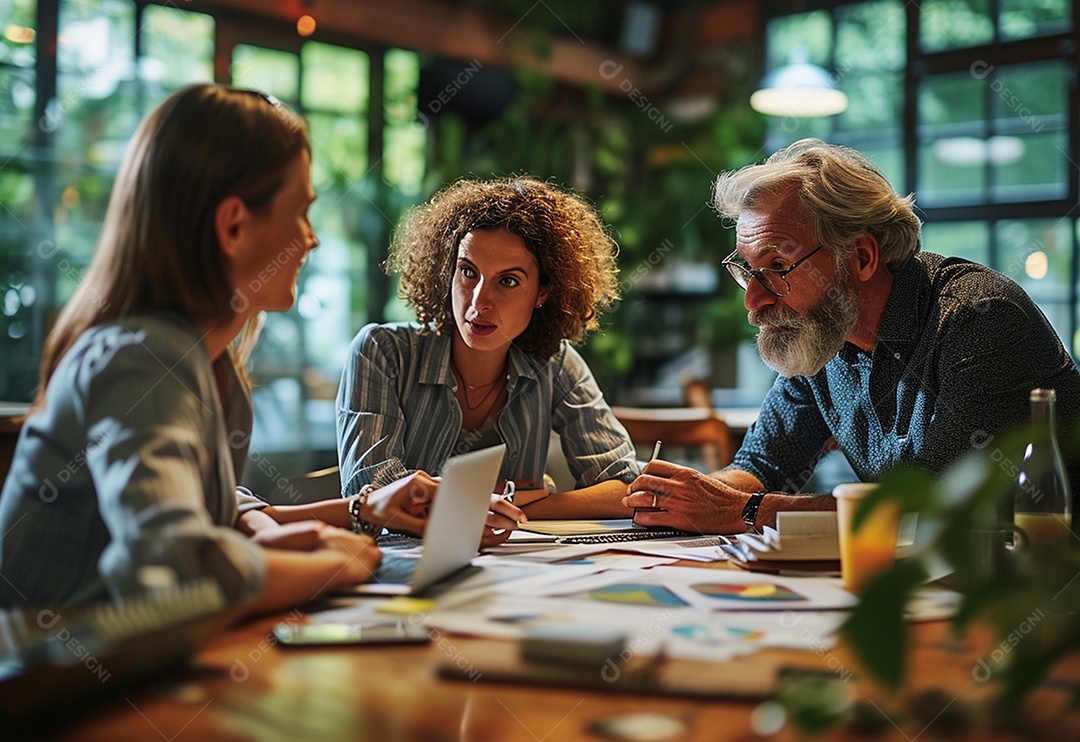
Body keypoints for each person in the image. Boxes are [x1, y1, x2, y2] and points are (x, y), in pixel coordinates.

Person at [0, 84, 382, 613]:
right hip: (60, 690)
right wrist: (339, 566)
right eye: (300, 213)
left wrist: (252, 524)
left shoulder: (206, 364)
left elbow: (197, 512)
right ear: (233, 226)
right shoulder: (145, 360)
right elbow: (172, 565)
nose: (311, 238)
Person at [625, 138, 1080, 534]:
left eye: (779, 267)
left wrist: (742, 511)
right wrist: (676, 494)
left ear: (861, 257)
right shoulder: (826, 333)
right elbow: (760, 470)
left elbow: (930, 511)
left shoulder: (980, 320)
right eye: (749, 271)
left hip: (1040, 594)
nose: (754, 301)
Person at [336, 177, 640, 537]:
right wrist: (511, 499)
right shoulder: (382, 353)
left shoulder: (554, 363)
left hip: (512, 571)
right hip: (395, 572)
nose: (479, 302)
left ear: (543, 292)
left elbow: (626, 487)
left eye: (507, 281)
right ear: (447, 271)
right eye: (468, 272)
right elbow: (373, 494)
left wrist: (512, 506)